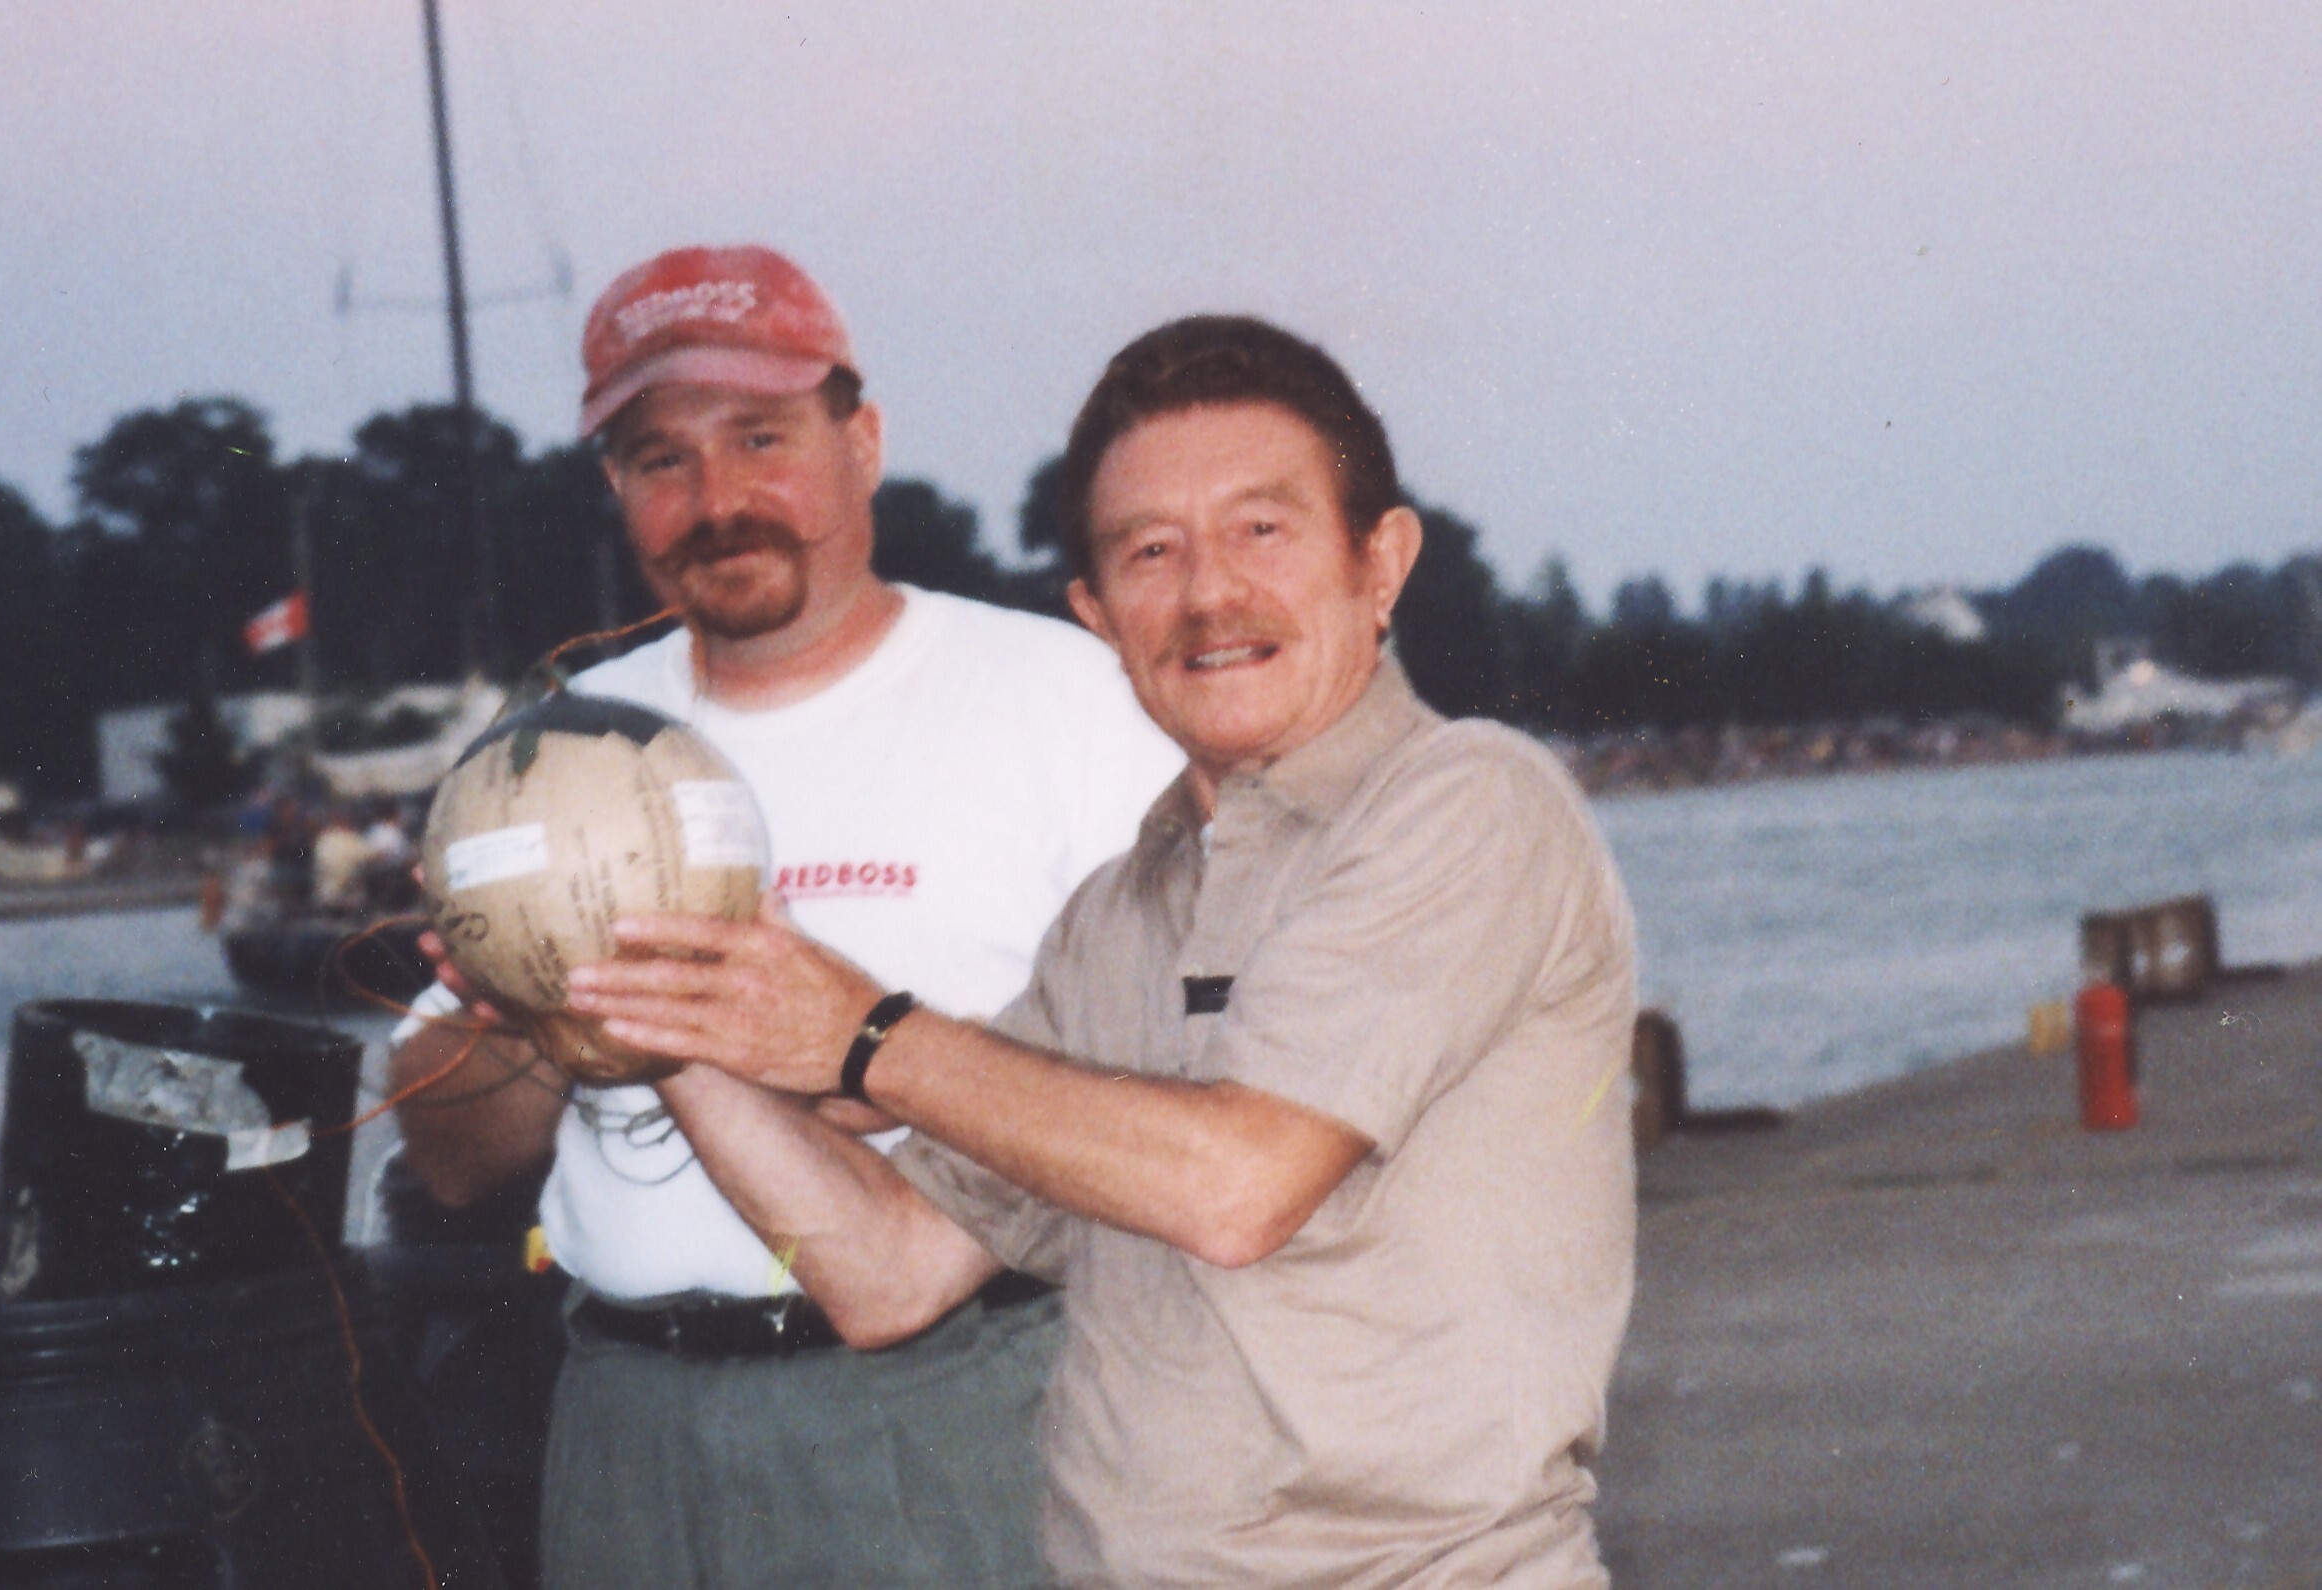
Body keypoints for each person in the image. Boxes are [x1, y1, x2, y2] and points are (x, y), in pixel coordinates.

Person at [563, 315, 1641, 1586]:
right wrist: (663, 1024)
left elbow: (1238, 1184)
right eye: (1148, 551)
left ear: (1380, 562)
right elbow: (890, 1273)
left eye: (1261, 528)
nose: (1206, 593)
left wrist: (863, 1037)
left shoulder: (1470, 802)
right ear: (1095, 613)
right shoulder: (1110, 920)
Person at [387, 244, 1180, 1588]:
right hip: (628, 1424)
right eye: (662, 460)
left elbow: (1172, 1081)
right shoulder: (548, 754)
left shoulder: (1067, 701)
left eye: (762, 438)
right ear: (616, 491)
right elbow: (456, 1162)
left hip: (961, 1406)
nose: (719, 500)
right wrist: (525, 1021)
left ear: (860, 440)